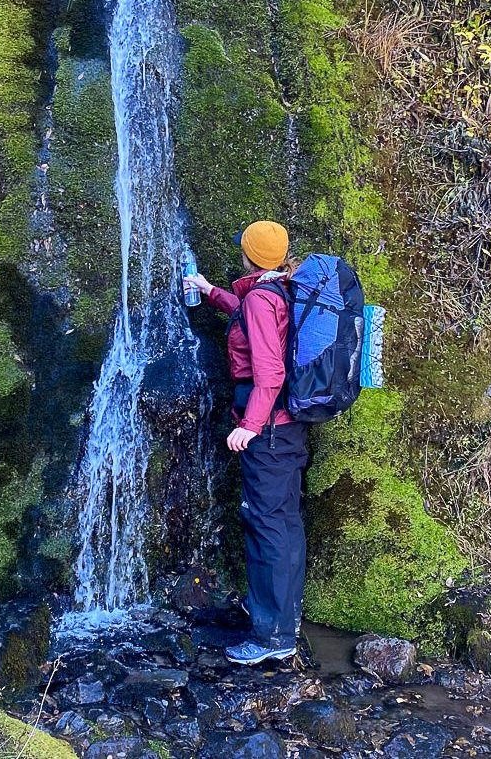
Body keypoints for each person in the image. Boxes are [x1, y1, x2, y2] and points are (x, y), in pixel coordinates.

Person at [183, 220, 307, 664]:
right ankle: (286, 621)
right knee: (285, 525)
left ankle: (271, 637)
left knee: (265, 526)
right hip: (289, 430)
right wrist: (211, 290)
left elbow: (270, 372)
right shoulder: (280, 290)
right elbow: (248, 314)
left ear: (249, 255)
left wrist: (249, 426)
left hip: (268, 433)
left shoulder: (261, 299)